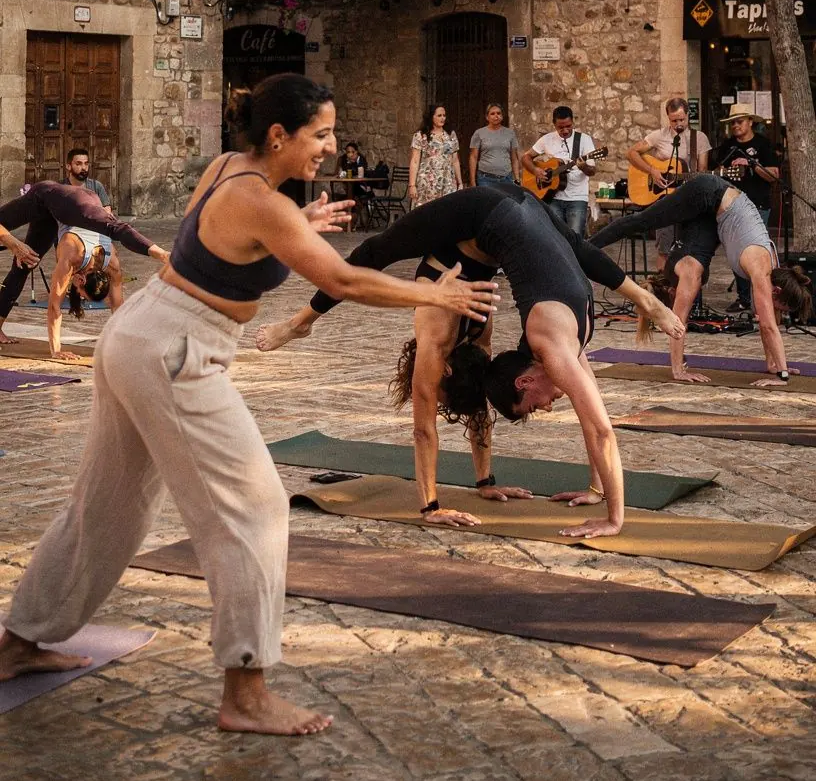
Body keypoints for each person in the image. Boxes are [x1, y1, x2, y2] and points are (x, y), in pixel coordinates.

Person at [0, 75, 499, 737]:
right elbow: (343, 278)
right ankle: (246, 690)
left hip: (144, 335)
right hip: (177, 352)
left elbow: (209, 237)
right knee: (254, 507)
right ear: (278, 136)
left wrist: (300, 226)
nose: (328, 145)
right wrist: (435, 297)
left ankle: (18, 643)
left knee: (108, 503)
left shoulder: (233, 170)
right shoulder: (263, 200)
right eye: (319, 133)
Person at [257, 184, 684, 536]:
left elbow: (430, 428)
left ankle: (300, 321)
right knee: (377, 253)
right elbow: (442, 423)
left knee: (378, 252)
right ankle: (301, 321)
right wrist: (452, 497)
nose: (435, 403)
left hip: (484, 210)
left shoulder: (440, 339)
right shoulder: (465, 339)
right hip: (499, 219)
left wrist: (461, 493)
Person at [591, 173, 812, 387]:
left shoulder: (773, 272)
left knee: (697, 268)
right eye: (779, 305)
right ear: (776, 290)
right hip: (707, 192)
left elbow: (770, 321)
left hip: (714, 210)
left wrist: (774, 364)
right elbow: (767, 325)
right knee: (641, 221)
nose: (776, 311)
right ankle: (583, 247)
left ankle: (773, 363)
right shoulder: (757, 269)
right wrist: (782, 374)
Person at [0, 152, 112, 347]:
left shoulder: (96, 188)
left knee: (23, 267)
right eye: (78, 163)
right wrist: (14, 244)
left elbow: (107, 218)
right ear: (69, 166)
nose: (83, 167)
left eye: (86, 163)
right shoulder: (53, 192)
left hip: (69, 238)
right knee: (23, 261)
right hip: (58, 231)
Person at [710, 104, 780, 312]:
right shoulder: (727, 146)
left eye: (740, 121)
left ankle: (762, 299)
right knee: (736, 252)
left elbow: (774, 174)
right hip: (733, 208)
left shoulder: (762, 145)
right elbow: (718, 173)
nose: (736, 126)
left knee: (758, 252)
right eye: (732, 123)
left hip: (758, 205)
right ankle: (744, 298)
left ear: (750, 122)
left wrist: (751, 163)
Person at [627, 97, 711, 264]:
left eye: (682, 119)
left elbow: (702, 171)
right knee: (664, 249)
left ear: (687, 115)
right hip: (665, 200)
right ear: (668, 118)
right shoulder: (659, 136)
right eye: (674, 120)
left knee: (689, 249)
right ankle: (663, 286)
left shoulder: (699, 138)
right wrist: (652, 170)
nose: (678, 124)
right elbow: (631, 153)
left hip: (689, 200)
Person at [45, 223, 124, 365]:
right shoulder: (71, 259)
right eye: (80, 292)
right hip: (63, 204)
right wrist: (56, 350)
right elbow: (54, 307)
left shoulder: (112, 264)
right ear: (81, 279)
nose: (78, 295)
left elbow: (118, 306)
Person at [520, 105, 597, 237]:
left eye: (568, 126)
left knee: (575, 239)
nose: (565, 130)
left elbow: (592, 171)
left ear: (573, 121)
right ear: (554, 125)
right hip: (552, 198)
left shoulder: (584, 140)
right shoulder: (547, 139)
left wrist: (583, 166)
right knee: (554, 238)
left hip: (577, 198)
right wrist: (536, 171)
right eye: (560, 127)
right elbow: (525, 158)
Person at [409, 104, 462, 205]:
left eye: (444, 115)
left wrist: (459, 182)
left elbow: (455, 160)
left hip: (447, 182)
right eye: (439, 115)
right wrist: (412, 185)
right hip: (428, 182)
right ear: (431, 117)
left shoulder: (450, 135)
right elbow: (415, 161)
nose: (442, 118)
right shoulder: (421, 135)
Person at [469, 104, 520, 188]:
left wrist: (517, 179)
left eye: (498, 113)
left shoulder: (510, 133)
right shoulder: (479, 133)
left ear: (502, 116)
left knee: (506, 201)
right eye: (492, 114)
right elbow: (473, 157)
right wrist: (472, 181)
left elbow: (514, 158)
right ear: (487, 117)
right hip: (486, 179)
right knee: (488, 201)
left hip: (506, 178)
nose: (496, 116)